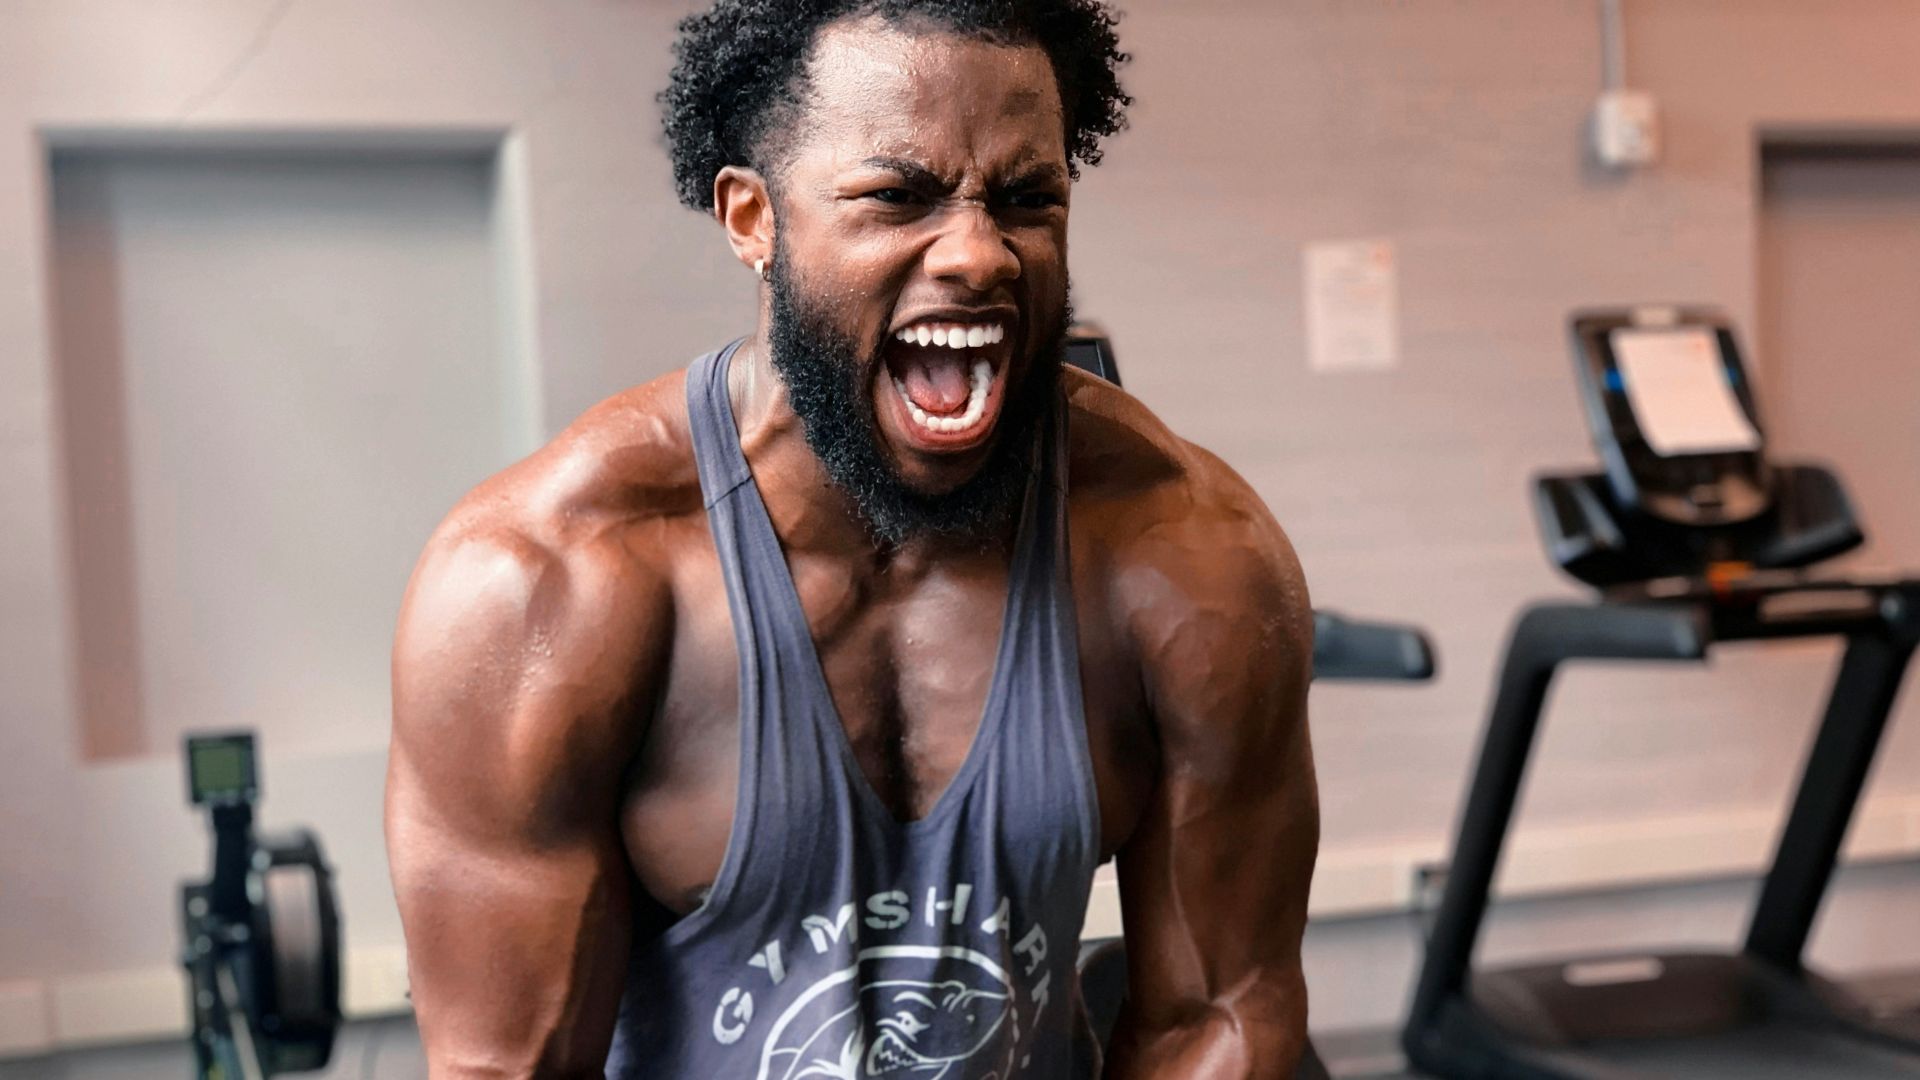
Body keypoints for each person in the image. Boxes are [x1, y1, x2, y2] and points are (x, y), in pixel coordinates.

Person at [385, 2, 1317, 1076]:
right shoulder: (548, 583)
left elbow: (1220, 1017)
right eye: (897, 196)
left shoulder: (1184, 553)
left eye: (1027, 201)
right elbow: (506, 1066)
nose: (979, 255)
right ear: (753, 219)